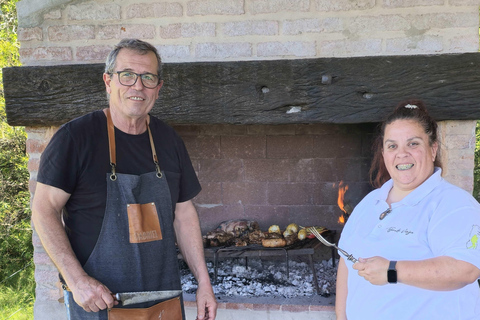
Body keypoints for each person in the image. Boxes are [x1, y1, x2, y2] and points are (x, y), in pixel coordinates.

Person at [31, 38, 217, 320]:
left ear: (158, 87)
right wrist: (76, 280)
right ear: (108, 81)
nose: (138, 86)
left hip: (162, 302)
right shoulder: (75, 138)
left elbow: (184, 214)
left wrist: (204, 283)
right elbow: (44, 210)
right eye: (127, 75)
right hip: (99, 302)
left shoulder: (169, 141)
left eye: (148, 77)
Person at [335, 99, 480, 319]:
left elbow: (465, 269)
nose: (401, 154)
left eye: (413, 144)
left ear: (432, 149)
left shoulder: (453, 203)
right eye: (392, 146)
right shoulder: (370, 202)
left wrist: (392, 271)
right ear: (384, 154)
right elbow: (346, 264)